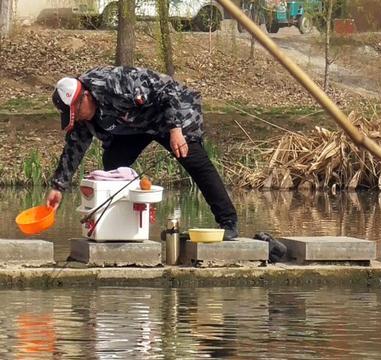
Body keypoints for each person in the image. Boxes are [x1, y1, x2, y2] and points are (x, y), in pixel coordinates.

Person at [45, 66, 239, 240]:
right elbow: (74, 147)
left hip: (170, 114)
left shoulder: (116, 82)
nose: (77, 118)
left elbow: (167, 90)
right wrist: (58, 187)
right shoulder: (82, 116)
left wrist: (175, 130)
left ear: (85, 96)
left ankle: (228, 221)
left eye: (76, 112)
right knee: (114, 163)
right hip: (136, 126)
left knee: (195, 161)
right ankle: (122, 227)